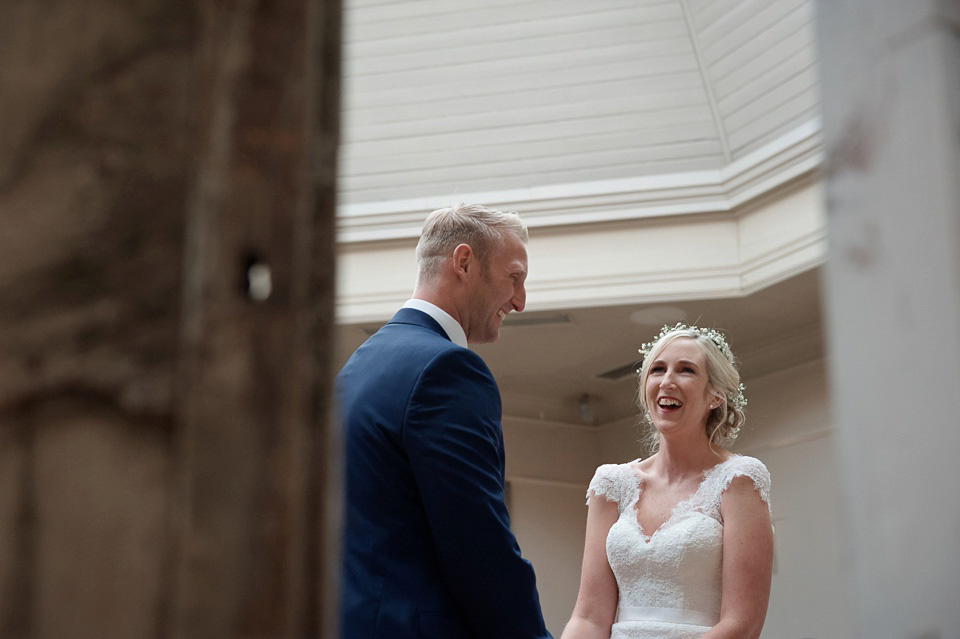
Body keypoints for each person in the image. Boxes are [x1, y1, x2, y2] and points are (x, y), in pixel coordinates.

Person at [335, 203, 552, 639]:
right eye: (514, 278)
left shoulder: (358, 366)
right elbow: (478, 546)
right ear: (465, 262)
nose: (520, 301)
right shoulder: (447, 370)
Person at [561, 324, 774, 639]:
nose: (667, 381)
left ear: (715, 395)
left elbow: (742, 624)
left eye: (686, 370)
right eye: (657, 370)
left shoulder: (739, 480)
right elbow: (589, 617)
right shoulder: (612, 483)